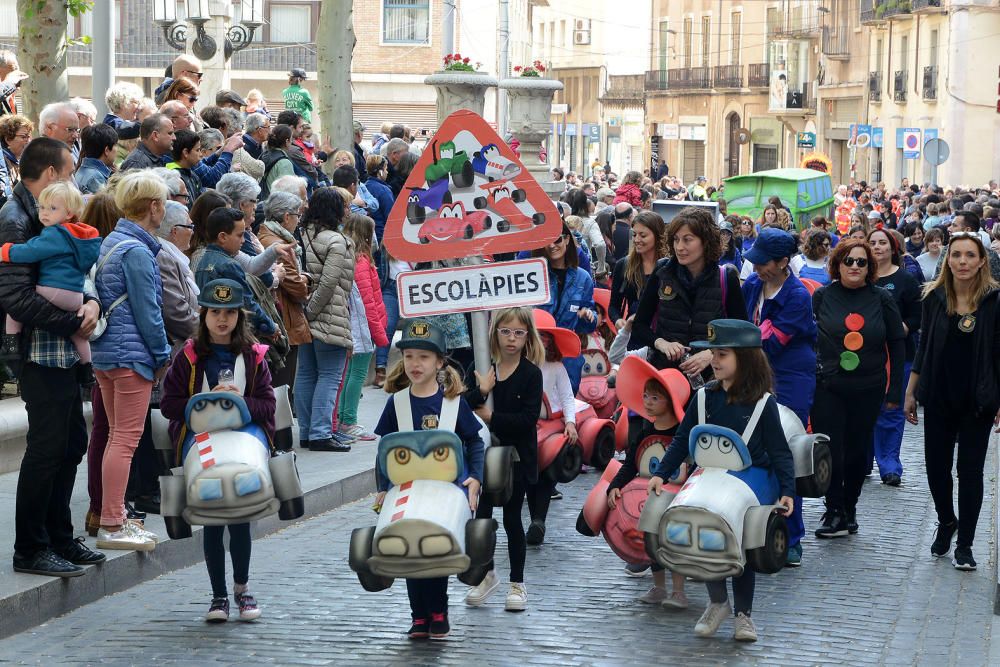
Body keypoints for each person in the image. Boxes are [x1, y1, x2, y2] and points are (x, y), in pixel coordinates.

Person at [648, 319, 795, 643]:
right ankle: (718, 604)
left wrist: (787, 490)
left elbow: (780, 451)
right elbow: (682, 440)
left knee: (739, 542)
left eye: (723, 354)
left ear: (745, 358)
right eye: (713, 353)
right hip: (710, 475)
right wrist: (660, 473)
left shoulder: (763, 403)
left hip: (752, 477)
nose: (714, 360)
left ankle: (744, 615)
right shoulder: (703, 398)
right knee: (704, 533)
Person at [2, 138, 106, 576]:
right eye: (67, 172)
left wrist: (91, 305)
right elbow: (13, 295)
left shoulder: (50, 213)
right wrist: (73, 321)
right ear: (50, 175)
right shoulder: (17, 218)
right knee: (47, 448)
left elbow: (82, 274)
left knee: (70, 443)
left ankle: (58, 536)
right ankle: (31, 547)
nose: (72, 181)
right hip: (40, 352)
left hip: (60, 348)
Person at [159, 278, 273, 621]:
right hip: (203, 442)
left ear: (239, 316)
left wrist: (242, 402)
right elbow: (169, 405)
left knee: (239, 517)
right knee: (212, 518)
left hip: (241, 443)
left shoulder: (254, 357)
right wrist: (204, 405)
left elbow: (268, 404)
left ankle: (242, 588)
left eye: (229, 313)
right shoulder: (188, 357)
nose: (222, 320)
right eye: (214, 313)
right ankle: (218, 596)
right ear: (203, 315)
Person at [373, 318, 484, 640]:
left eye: (423, 357)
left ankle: (438, 610)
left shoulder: (453, 402)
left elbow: (475, 441)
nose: (414, 364)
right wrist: (382, 488)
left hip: (446, 491)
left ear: (439, 362)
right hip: (408, 490)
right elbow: (384, 451)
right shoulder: (396, 403)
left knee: (435, 548)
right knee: (409, 547)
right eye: (408, 356)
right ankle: (418, 616)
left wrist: (475, 477)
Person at [904, 232, 1000, 571]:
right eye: (956, 255)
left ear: (981, 261)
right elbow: (924, 346)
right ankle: (947, 520)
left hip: (979, 399)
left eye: (969, 256)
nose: (962, 262)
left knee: (970, 471)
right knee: (936, 469)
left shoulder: (995, 300)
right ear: (948, 260)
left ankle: (966, 545)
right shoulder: (933, 298)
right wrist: (910, 391)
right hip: (940, 395)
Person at [91, 170, 172, 551]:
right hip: (131, 355)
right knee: (125, 439)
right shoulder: (138, 250)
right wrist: (161, 354)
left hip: (107, 353)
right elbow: (148, 310)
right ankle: (113, 521)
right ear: (153, 206)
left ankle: (114, 516)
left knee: (114, 438)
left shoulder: (112, 241)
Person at [811, 239, 905, 538]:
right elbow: (811, 339)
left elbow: (897, 343)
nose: (854, 266)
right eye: (848, 261)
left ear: (869, 267)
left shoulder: (881, 298)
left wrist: (895, 392)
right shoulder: (823, 296)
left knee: (856, 452)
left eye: (861, 262)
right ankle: (834, 508)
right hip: (829, 386)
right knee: (830, 450)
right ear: (837, 264)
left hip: (869, 386)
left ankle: (849, 508)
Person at [741, 227, 817, 567]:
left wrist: (742, 339)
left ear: (784, 262)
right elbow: (740, 325)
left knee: (786, 452)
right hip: (754, 374)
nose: (757, 268)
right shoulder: (753, 285)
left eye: (763, 263)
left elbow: (768, 343)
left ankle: (792, 535)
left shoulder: (798, 296)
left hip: (789, 379)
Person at [463, 307, 544, 612]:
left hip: (516, 460)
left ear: (527, 336)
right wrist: (482, 390)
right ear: (495, 333)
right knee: (482, 521)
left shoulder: (530, 374)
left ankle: (518, 583)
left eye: (519, 332)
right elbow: (460, 406)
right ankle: (487, 574)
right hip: (482, 459)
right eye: (505, 331)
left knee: (512, 520)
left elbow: (527, 419)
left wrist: (492, 417)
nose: (512, 338)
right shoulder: (483, 367)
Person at [629, 207, 748, 381]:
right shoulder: (662, 271)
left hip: (711, 379)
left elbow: (742, 332)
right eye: (676, 240)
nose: (679, 247)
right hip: (666, 378)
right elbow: (640, 326)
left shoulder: (726, 277)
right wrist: (661, 343)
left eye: (687, 240)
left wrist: (712, 353)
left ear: (706, 241)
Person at [0, 181, 100, 376]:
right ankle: (88, 368)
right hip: (75, 296)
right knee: (79, 336)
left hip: (53, 290)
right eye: (42, 207)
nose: (44, 213)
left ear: (69, 213)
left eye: (52, 208)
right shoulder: (79, 237)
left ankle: (11, 348)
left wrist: (6, 251)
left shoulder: (55, 234)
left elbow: (31, 251)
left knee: (16, 309)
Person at [611, 361, 690, 606]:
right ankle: (658, 586)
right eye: (645, 396)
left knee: (674, 539)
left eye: (654, 398)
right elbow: (631, 463)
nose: (647, 402)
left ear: (671, 400)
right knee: (651, 538)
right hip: (649, 494)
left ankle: (678, 591)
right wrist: (614, 484)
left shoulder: (682, 433)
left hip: (677, 497)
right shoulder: (645, 431)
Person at [296, 187, 356, 452]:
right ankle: (321, 433)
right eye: (344, 206)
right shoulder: (336, 240)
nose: (348, 211)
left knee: (306, 373)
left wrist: (305, 313)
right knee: (330, 376)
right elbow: (330, 282)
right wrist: (313, 311)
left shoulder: (300, 234)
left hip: (302, 312)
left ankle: (307, 432)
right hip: (329, 315)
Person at [868, 228, 922, 486]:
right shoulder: (858, 276)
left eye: (882, 243)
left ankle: (890, 465)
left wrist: (906, 326)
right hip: (864, 356)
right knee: (863, 411)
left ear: (893, 248)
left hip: (899, 355)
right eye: (873, 243)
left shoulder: (906, 280)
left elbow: (917, 314)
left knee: (891, 410)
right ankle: (863, 460)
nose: (877, 247)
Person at [337, 214, 388, 440]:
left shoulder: (352, 259)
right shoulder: (361, 262)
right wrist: (378, 331)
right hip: (363, 327)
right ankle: (348, 421)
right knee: (356, 373)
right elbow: (367, 303)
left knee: (350, 373)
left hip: (359, 325)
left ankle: (342, 418)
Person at [193, 207, 278, 339]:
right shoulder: (229, 266)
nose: (243, 240)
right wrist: (270, 327)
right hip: (231, 337)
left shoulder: (203, 261)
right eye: (239, 235)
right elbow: (247, 304)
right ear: (222, 237)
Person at [531, 222, 596, 393]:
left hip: (567, 353)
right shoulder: (533, 274)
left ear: (567, 239)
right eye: (547, 241)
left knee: (566, 403)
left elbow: (589, 321)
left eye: (557, 240)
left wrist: (588, 316)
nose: (552, 246)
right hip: (535, 350)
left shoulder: (583, 278)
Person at [257, 191, 309, 397]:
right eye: (298, 215)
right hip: (284, 317)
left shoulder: (273, 235)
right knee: (281, 387)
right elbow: (296, 286)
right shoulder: (277, 242)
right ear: (287, 217)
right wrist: (308, 281)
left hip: (285, 315)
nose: (299, 220)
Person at [609, 210, 667, 328]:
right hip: (634, 334)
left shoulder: (670, 266)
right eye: (634, 235)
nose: (636, 240)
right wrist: (617, 320)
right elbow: (613, 306)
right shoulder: (624, 265)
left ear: (658, 235)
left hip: (664, 335)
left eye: (643, 235)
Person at [154, 200, 199, 348]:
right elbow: (175, 312)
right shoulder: (164, 259)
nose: (193, 231)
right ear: (175, 231)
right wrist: (207, 332)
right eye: (189, 226)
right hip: (177, 348)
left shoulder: (173, 256)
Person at [74, 124, 118, 195]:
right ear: (106, 150)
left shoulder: (83, 169)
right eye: (116, 145)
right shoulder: (96, 177)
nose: (117, 150)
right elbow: (102, 205)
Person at [259, 125, 296, 199]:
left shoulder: (263, 155)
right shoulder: (284, 162)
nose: (292, 141)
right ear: (287, 141)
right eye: (291, 139)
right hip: (278, 205)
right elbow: (288, 191)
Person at [364, 154, 394, 243]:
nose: (387, 172)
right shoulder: (384, 190)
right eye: (386, 169)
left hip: (367, 233)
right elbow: (390, 216)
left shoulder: (364, 187)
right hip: (381, 235)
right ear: (380, 172)